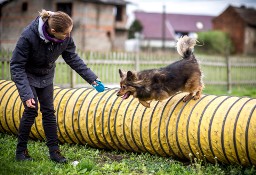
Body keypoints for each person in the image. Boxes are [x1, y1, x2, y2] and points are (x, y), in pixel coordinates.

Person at [10, 9, 104, 163]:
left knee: (48, 112)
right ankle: (21, 152)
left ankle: (54, 152)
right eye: (66, 33)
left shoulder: (64, 37)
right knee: (31, 110)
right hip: (28, 75)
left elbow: (72, 58)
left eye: (69, 32)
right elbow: (16, 65)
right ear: (53, 31)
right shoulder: (28, 36)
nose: (68, 36)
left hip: (46, 76)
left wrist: (92, 79)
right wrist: (26, 94)